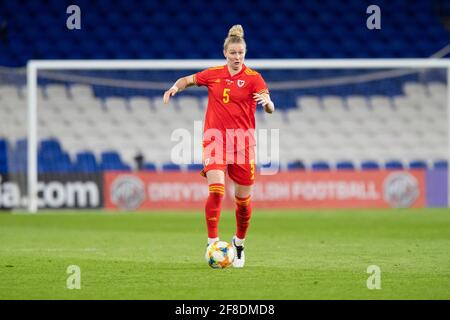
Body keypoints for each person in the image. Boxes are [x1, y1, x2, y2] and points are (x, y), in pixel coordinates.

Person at [163, 25, 275, 268]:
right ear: (225, 52)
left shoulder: (254, 78)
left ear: (245, 53)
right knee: (217, 190)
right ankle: (211, 241)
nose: (237, 57)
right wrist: (175, 87)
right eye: (233, 53)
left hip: (244, 144)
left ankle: (239, 243)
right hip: (215, 139)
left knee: (243, 201)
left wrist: (267, 103)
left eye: (241, 53)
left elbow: (269, 106)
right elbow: (187, 80)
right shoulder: (213, 74)